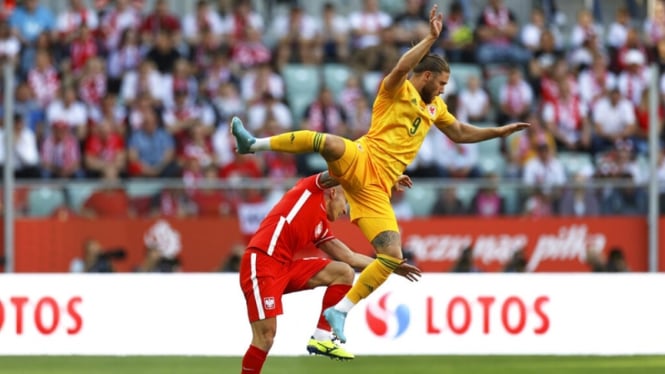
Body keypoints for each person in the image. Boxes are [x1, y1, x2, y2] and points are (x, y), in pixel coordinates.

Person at [231, 4, 529, 344]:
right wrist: (431, 38)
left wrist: (498, 132)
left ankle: (339, 311)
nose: (445, 89)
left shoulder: (436, 107)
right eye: (442, 82)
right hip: (363, 158)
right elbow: (403, 65)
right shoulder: (395, 89)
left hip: (378, 186)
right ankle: (254, 143)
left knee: (391, 256)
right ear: (427, 76)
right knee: (328, 143)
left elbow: (459, 132)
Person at [239, 171, 420, 373]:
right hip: (261, 262)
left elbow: (350, 257)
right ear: (333, 192)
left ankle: (322, 337)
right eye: (346, 203)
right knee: (266, 337)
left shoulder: (320, 226)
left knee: (343, 272)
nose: (345, 211)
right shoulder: (308, 190)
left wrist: (392, 267)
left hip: (284, 267)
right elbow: (347, 171)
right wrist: (384, 178)